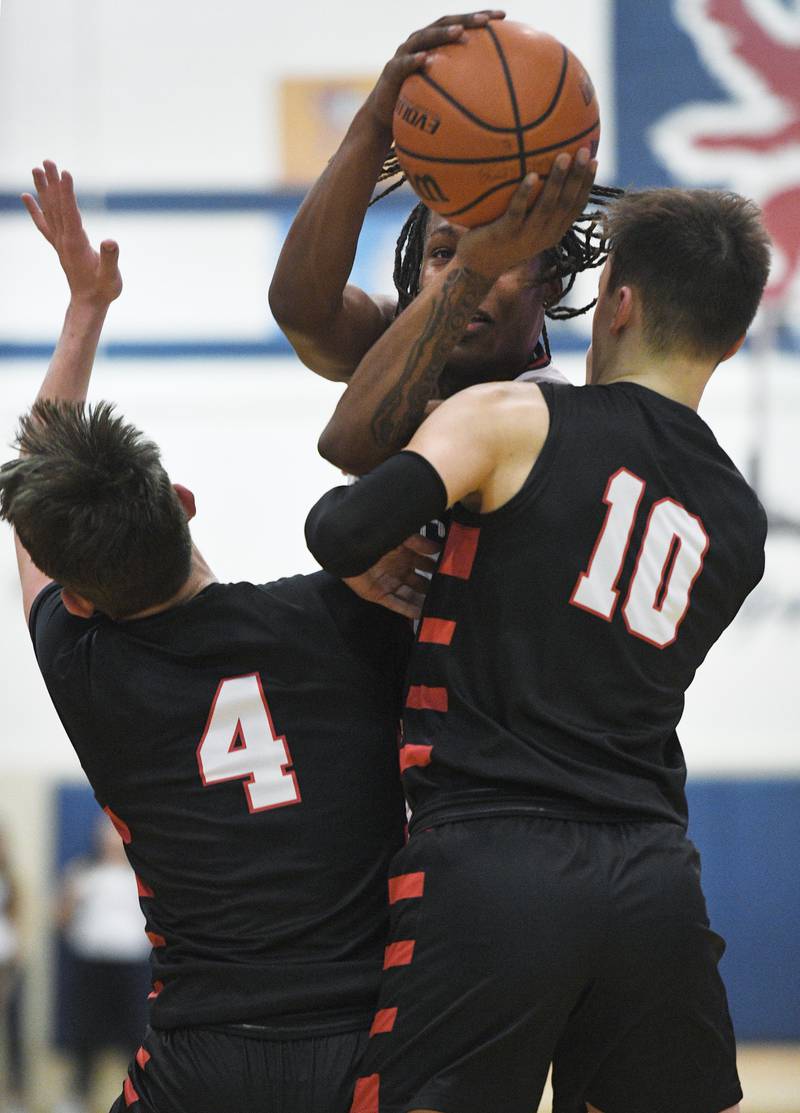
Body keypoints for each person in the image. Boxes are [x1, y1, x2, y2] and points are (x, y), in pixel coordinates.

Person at [304, 181, 771, 1113]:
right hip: (652, 871)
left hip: (491, 862)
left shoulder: (517, 419)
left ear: (616, 302)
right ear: (729, 339)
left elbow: (340, 527)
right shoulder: (739, 519)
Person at [0, 162, 438, 1113]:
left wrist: (82, 313)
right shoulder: (345, 613)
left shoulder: (81, 664)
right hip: (367, 1046)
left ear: (76, 597)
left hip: (200, 1058)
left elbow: (28, 513)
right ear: (185, 503)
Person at [268, 11, 620, 475]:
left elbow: (352, 442)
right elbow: (301, 311)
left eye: (502, 256)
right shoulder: (391, 341)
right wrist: (374, 124)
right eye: (443, 254)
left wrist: (474, 266)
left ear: (552, 281)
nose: (474, 267)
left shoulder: (554, 415)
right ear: (415, 271)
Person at [55, 814, 150, 1113]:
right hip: (92, 966)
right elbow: (60, 918)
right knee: (85, 1034)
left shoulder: (143, 875)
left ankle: (141, 1098)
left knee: (135, 1038)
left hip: (132, 968)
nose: (110, 839)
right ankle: (77, 1097)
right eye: (104, 833)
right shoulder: (82, 873)